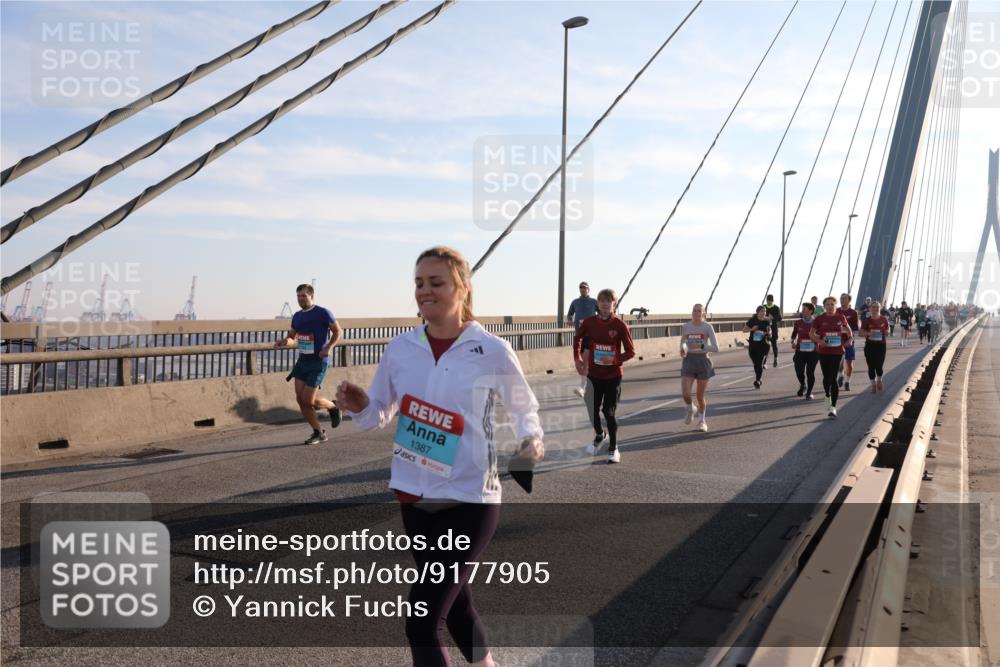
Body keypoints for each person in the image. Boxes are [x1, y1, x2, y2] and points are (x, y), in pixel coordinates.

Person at [336, 246, 544, 667]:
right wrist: (360, 405)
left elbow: (526, 411)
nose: (424, 292)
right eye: (418, 283)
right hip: (414, 496)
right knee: (457, 604)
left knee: (422, 620)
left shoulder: (492, 350)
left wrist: (531, 442)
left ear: (462, 288)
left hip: (470, 498)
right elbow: (377, 415)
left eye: (436, 282)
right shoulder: (400, 349)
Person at [574, 288, 635, 463]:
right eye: (602, 301)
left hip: (613, 375)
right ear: (598, 304)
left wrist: (615, 358)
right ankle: (600, 435)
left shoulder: (620, 325)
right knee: (591, 409)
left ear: (614, 304)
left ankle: (613, 448)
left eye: (609, 301)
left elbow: (631, 352)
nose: (605, 304)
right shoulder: (590, 322)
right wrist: (577, 359)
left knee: (609, 412)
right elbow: (577, 338)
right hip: (594, 373)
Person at [276, 284, 342, 444]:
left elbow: (338, 331)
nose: (300, 299)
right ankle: (318, 432)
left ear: (312, 296)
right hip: (302, 362)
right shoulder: (297, 316)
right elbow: (293, 336)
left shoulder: (323, 312)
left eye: (303, 296)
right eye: (298, 296)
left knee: (309, 400)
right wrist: (286, 341)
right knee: (300, 399)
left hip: (319, 362)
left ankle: (333, 407)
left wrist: (328, 347)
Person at [810, 296, 853, 418]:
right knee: (826, 378)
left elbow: (848, 330)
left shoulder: (841, 317)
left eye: (832, 304)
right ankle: (827, 395)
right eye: (827, 304)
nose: (830, 306)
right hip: (824, 352)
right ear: (824, 306)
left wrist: (850, 339)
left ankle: (833, 407)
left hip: (838, 351)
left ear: (835, 306)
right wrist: (819, 341)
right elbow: (811, 334)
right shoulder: (819, 319)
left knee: (833, 378)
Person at [679, 303, 719, 432]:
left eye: (699, 311)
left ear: (704, 313)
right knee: (685, 394)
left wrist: (701, 347)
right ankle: (691, 408)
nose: (696, 313)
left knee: (700, 396)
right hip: (689, 360)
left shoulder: (707, 327)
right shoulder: (686, 326)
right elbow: (683, 342)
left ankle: (702, 421)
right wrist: (683, 350)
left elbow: (716, 348)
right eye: (694, 310)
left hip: (703, 361)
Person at [567, 282, 599, 397]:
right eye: (581, 287)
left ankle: (583, 386)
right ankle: (587, 384)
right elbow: (570, 314)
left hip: (591, 335)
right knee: (581, 362)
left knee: (586, 361)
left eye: (584, 288)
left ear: (588, 289)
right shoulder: (575, 302)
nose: (582, 289)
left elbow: (602, 314)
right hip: (579, 335)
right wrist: (570, 319)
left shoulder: (594, 302)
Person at [790, 301, 819, 399]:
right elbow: (794, 334)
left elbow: (822, 335)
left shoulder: (817, 323)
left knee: (810, 372)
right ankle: (803, 384)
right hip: (800, 351)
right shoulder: (798, 323)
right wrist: (793, 341)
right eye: (802, 309)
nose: (802, 311)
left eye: (804, 309)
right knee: (799, 371)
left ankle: (809, 393)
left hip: (813, 352)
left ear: (811, 311)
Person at [860, 300, 890, 393]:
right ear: (870, 309)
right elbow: (861, 333)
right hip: (870, 346)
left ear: (880, 308)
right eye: (873, 307)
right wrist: (868, 333)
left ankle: (879, 380)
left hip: (881, 346)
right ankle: (873, 384)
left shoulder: (884, 319)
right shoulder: (866, 321)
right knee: (871, 367)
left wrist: (887, 332)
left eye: (877, 307)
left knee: (879, 366)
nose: (875, 309)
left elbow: (888, 330)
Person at [743, 306, 772, 389]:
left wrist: (769, 333)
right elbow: (744, 330)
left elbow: (770, 330)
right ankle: (758, 377)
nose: (763, 313)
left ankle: (758, 380)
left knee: (759, 363)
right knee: (756, 364)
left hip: (764, 345)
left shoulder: (767, 321)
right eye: (762, 311)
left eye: (765, 311)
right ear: (757, 312)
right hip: (753, 345)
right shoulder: (752, 320)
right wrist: (751, 329)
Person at [836, 293, 860, 392]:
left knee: (849, 362)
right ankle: (841, 375)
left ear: (849, 301)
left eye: (844, 299)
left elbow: (855, 327)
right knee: (838, 361)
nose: (842, 300)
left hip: (849, 339)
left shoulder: (853, 312)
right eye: (841, 299)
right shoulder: (836, 311)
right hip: (837, 340)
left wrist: (851, 336)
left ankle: (847, 382)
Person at [763, 294, 782, 367]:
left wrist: (772, 318)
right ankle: (764, 362)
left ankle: (775, 359)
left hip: (773, 328)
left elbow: (780, 318)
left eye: (770, 301)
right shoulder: (763, 307)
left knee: (774, 344)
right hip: (765, 329)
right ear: (766, 300)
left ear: (772, 301)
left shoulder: (776, 308)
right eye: (768, 300)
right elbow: (760, 316)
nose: (769, 302)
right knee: (765, 346)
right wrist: (766, 318)